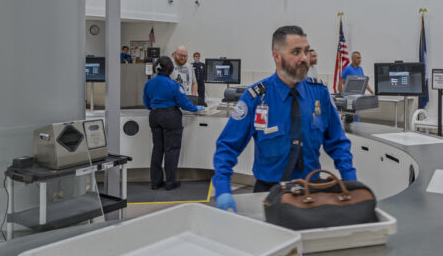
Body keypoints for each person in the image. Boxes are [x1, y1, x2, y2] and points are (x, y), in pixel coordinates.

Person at [212, 25, 356, 211]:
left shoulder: (319, 93)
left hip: (311, 191)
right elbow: (227, 146)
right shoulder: (256, 97)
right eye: (296, 52)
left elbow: (338, 143)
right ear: (276, 56)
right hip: (269, 192)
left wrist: (350, 181)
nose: (304, 58)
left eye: (306, 51)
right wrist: (223, 189)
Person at [143, 55, 199, 190]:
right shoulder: (174, 85)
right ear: (170, 69)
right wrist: (196, 108)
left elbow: (146, 103)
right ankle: (170, 182)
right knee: (171, 150)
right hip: (170, 117)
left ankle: (155, 182)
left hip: (154, 116)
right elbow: (185, 104)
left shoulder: (148, 84)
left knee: (157, 149)